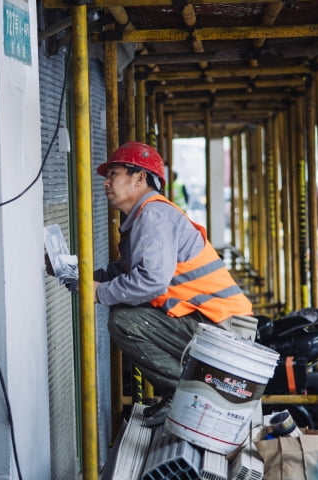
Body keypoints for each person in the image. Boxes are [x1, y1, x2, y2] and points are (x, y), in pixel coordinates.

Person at [93, 141, 253, 395]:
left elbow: (151, 282)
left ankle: (188, 397)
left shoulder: (153, 215)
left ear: (140, 178)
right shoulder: (149, 217)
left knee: (126, 321)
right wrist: (85, 279)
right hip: (217, 324)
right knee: (128, 308)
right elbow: (127, 274)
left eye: (113, 174)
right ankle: (188, 393)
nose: (106, 182)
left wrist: (99, 292)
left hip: (225, 330)